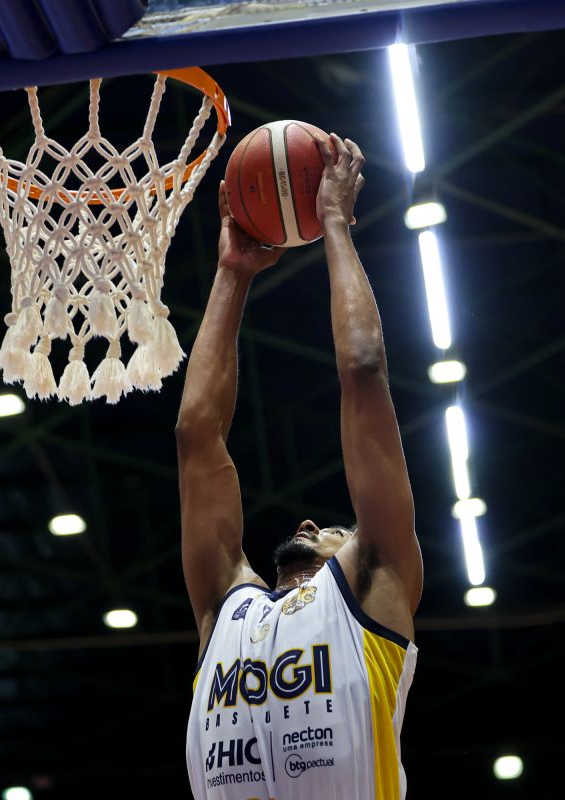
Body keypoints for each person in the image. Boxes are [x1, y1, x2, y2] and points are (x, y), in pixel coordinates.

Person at [178, 133, 423, 799]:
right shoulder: (227, 612)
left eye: (337, 530)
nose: (311, 522)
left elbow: (363, 370)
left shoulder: (372, 584)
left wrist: (336, 224)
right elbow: (197, 434)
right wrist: (232, 273)